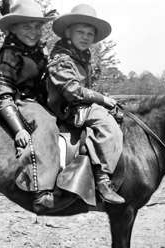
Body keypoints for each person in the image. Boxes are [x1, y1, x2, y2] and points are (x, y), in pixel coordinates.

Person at [46, 4, 125, 204]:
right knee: (106, 123)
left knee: (118, 115)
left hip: (80, 105)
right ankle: (103, 178)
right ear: (68, 32)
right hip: (67, 108)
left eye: (90, 34)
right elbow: (72, 91)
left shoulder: (81, 57)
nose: (85, 37)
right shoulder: (60, 58)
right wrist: (102, 99)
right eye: (80, 32)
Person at [0, 0, 60, 212]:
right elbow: (2, 95)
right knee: (45, 124)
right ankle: (43, 189)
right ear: (13, 28)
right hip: (22, 102)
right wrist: (19, 129)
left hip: (41, 100)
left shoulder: (38, 51)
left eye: (38, 27)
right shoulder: (9, 54)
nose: (34, 32)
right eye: (26, 27)